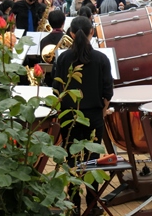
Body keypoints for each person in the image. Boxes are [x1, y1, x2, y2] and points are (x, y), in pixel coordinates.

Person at [52, 16, 113, 216]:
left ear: (70, 34)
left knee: (72, 161)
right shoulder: (101, 59)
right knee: (92, 161)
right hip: (94, 117)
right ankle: (93, 205)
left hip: (69, 117)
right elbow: (107, 92)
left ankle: (74, 204)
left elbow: (57, 90)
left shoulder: (62, 58)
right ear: (92, 33)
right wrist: (102, 113)